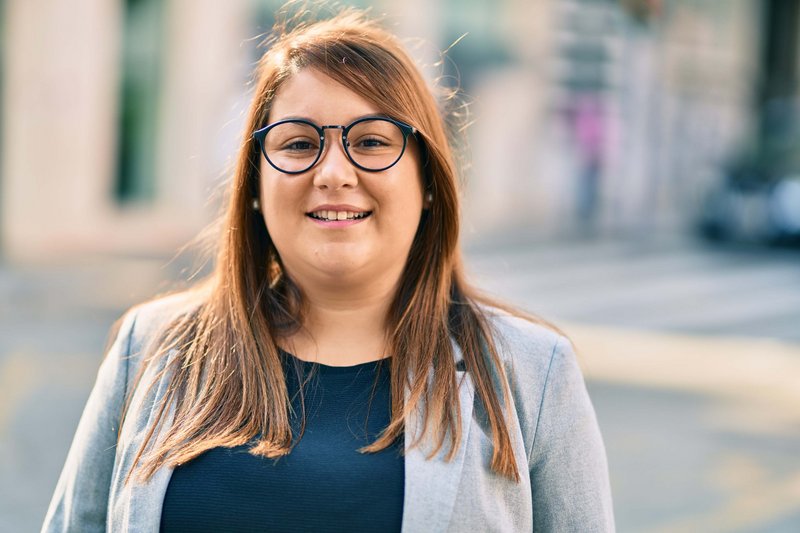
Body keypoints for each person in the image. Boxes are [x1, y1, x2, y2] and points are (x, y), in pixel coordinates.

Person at [42, 7, 614, 533]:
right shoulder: (150, 348)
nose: (333, 172)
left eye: (370, 141)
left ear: (429, 183)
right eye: (297, 144)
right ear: (256, 187)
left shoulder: (534, 377)